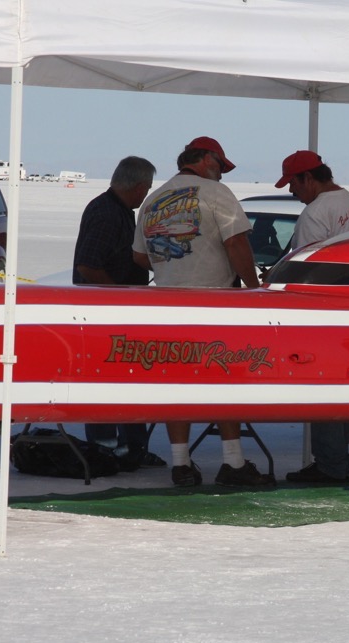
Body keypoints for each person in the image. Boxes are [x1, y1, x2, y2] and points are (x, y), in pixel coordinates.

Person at [131, 136, 273, 489]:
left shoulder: (153, 199)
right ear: (207, 159)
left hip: (166, 305)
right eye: (221, 166)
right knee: (225, 380)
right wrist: (253, 286)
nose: (222, 174)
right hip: (214, 305)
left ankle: (181, 463)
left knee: (177, 383)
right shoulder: (214, 193)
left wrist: (174, 264)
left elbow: (138, 256)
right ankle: (233, 461)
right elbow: (236, 242)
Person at [274, 150, 349, 485]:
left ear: (309, 179)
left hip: (323, 310)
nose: (292, 193)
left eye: (293, 185)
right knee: (341, 389)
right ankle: (335, 459)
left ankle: (331, 464)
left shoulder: (315, 213)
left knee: (322, 388)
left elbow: (304, 271)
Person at [73, 155, 165, 470]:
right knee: (105, 382)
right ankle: (104, 451)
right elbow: (87, 264)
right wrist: (116, 296)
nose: (147, 193)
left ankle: (131, 450)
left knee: (128, 382)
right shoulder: (107, 213)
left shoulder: (118, 211)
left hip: (117, 314)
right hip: (104, 317)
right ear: (139, 186)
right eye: (148, 187)